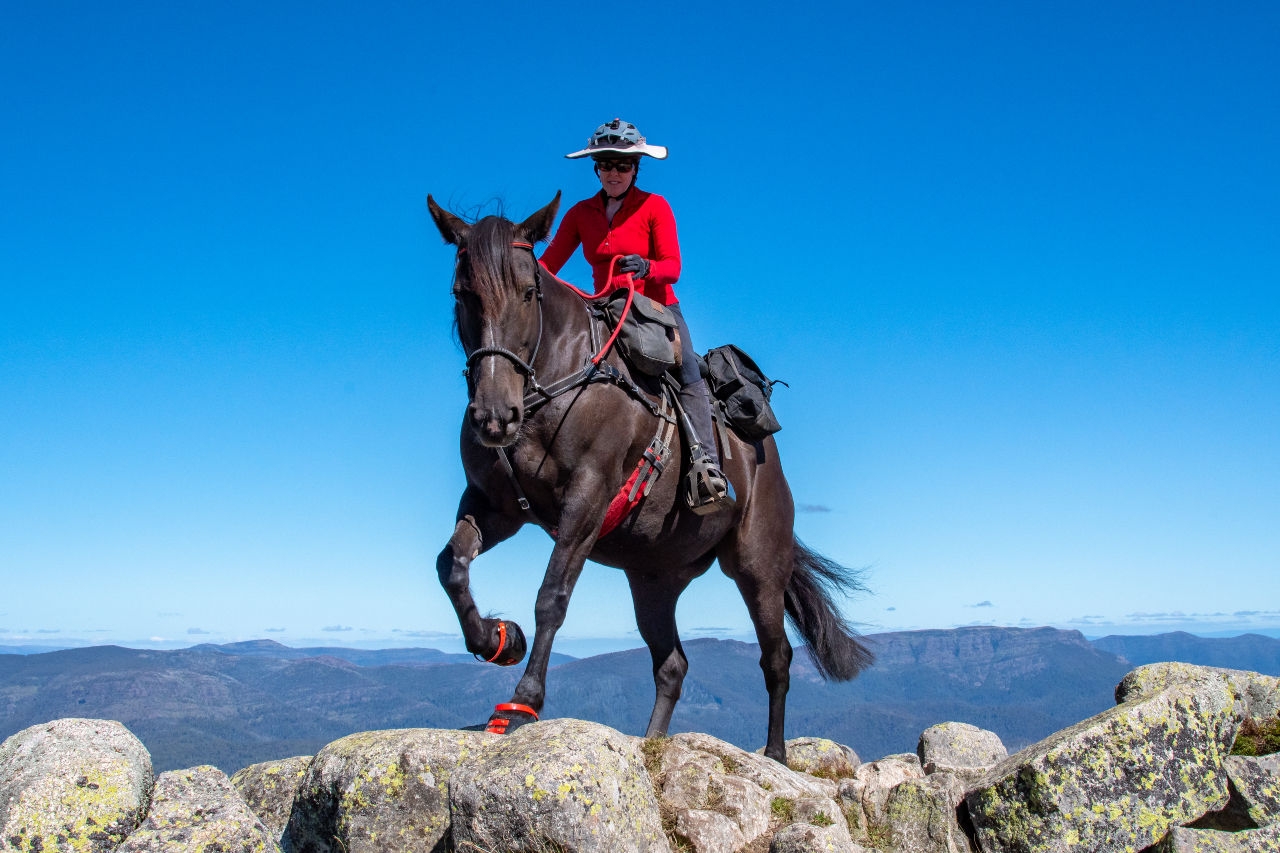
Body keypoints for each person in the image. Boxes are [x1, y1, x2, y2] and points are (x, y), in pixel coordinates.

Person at [539, 118, 733, 513]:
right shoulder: (580, 213)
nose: (614, 172)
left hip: (658, 310)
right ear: (596, 169)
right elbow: (548, 265)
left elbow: (673, 266)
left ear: (635, 169)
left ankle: (707, 467)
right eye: (607, 164)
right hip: (605, 307)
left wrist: (647, 267)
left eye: (623, 165)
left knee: (689, 374)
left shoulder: (654, 206)